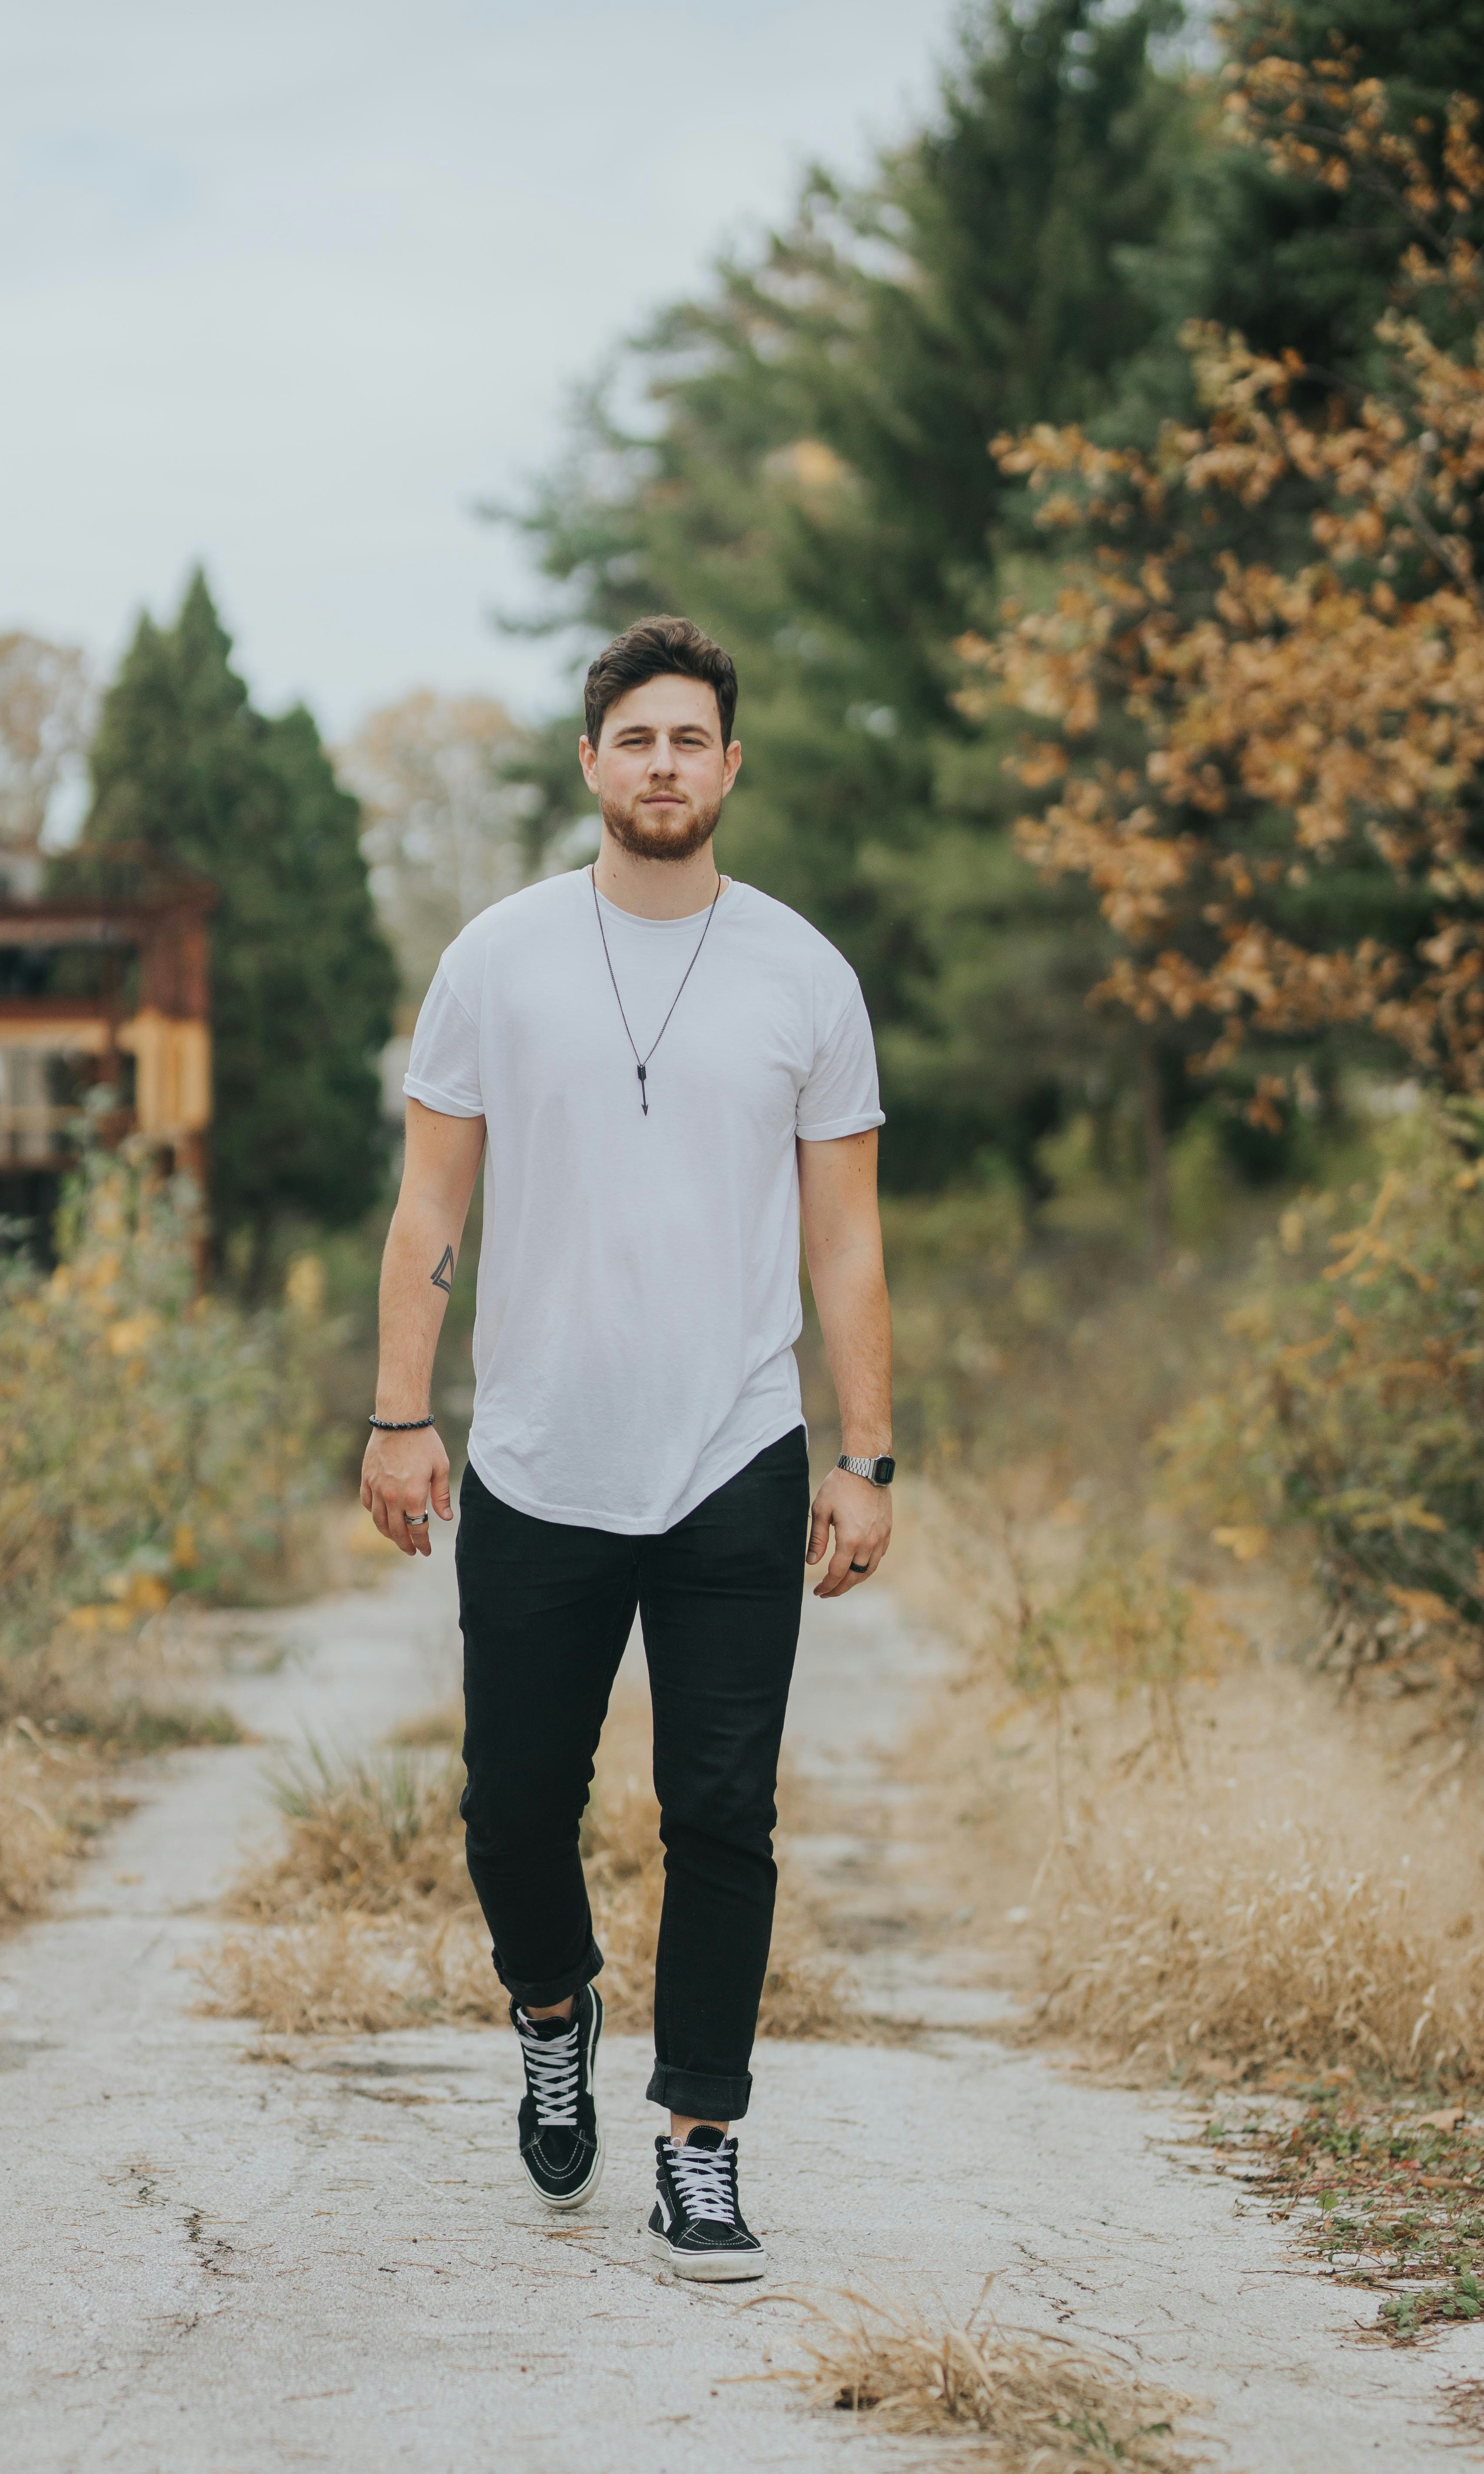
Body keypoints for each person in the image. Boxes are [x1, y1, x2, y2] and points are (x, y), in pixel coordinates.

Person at [360, 615, 893, 2281]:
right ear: (592, 764)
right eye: (635, 739)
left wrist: (863, 1458)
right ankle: (551, 2005)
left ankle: (701, 2144)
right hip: (534, 1455)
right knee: (513, 1809)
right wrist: (399, 1414)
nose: (665, 764)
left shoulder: (806, 974)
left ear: (732, 766)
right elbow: (430, 1206)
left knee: (723, 1811)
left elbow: (849, 1247)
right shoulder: (496, 959)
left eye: (693, 739)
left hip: (736, 1449)